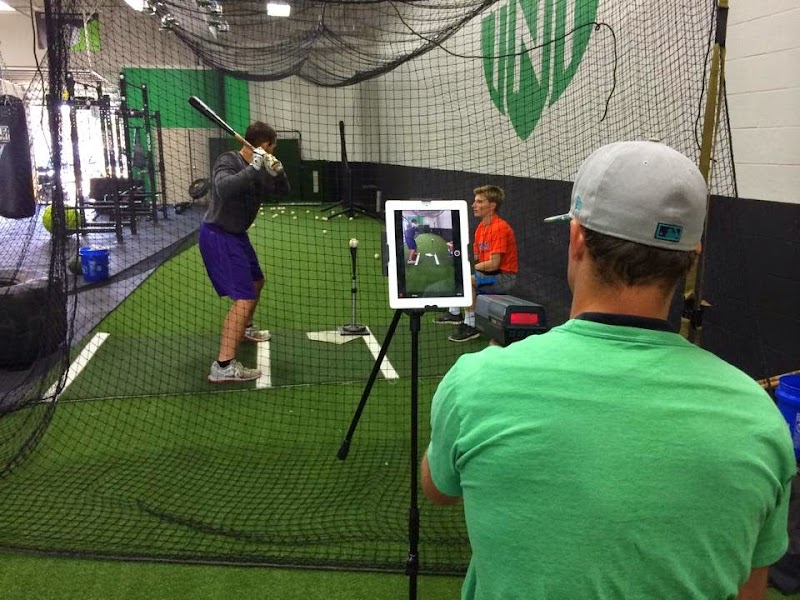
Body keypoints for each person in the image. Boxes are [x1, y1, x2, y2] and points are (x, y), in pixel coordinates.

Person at [422, 141, 795, 599]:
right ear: (692, 254)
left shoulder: (476, 382)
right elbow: (749, 591)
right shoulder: (761, 418)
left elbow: (439, 487)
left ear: (577, 238)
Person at [199, 121, 290, 383]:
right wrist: (253, 167)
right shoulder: (228, 159)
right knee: (245, 297)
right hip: (218, 234)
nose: (274, 152)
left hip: (237, 235)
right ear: (264, 144)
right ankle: (224, 365)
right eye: (273, 148)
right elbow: (223, 188)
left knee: (257, 281)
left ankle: (247, 329)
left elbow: (282, 193)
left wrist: (278, 172)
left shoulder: (262, 167)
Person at [434, 185, 518, 342]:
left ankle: (471, 325)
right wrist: (456, 252)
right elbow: (476, 257)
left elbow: (494, 264)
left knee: (468, 280)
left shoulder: (499, 228)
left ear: (492, 205)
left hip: (504, 276)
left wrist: (467, 268)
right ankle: (455, 313)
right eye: (475, 202)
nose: (474, 205)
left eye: (479, 202)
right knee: (457, 271)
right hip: (488, 273)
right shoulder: (481, 227)